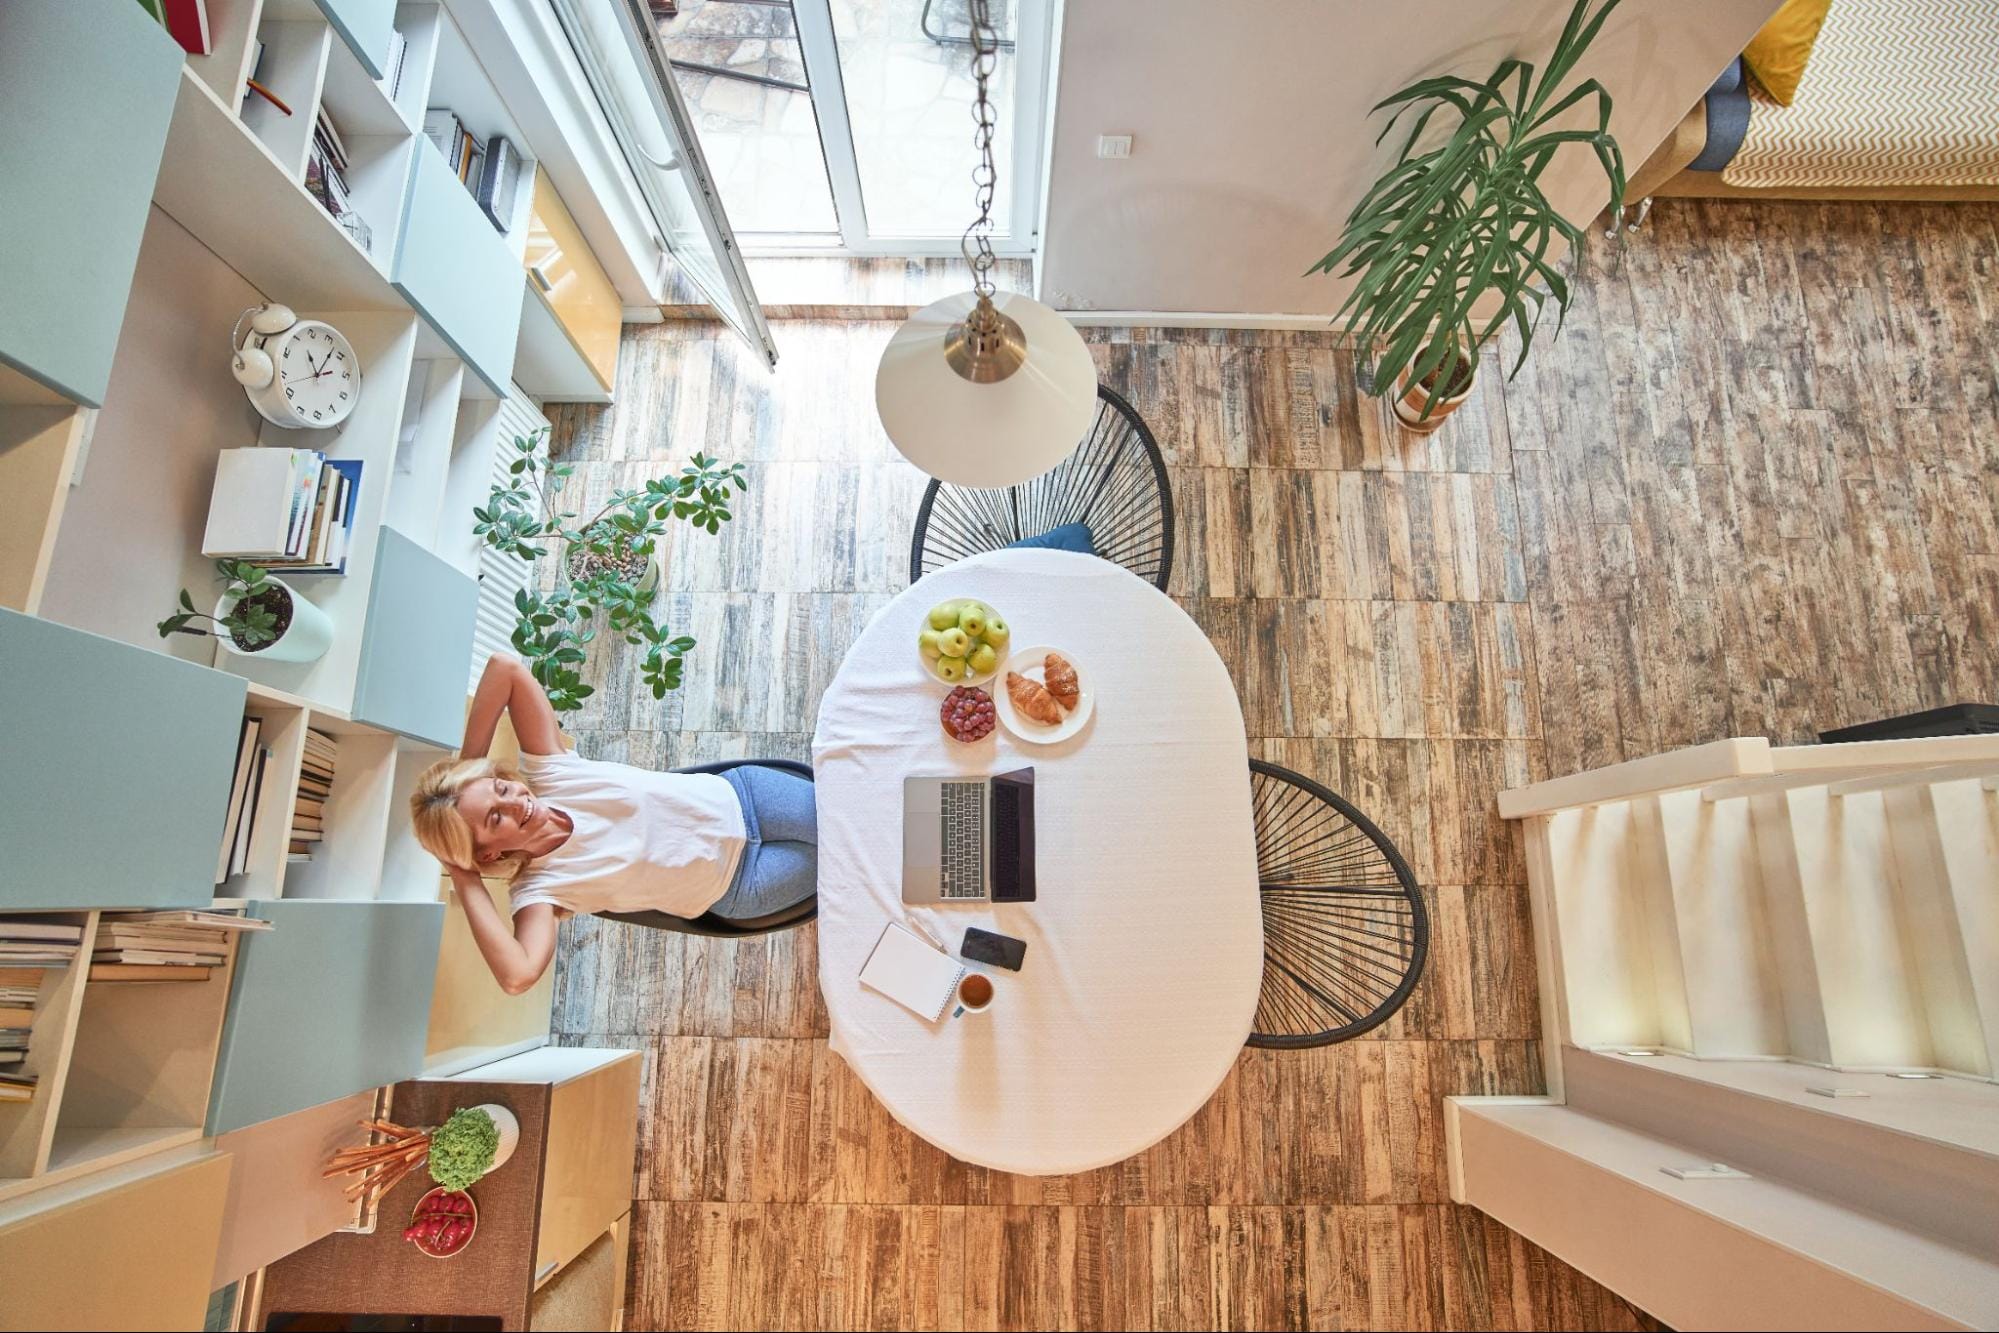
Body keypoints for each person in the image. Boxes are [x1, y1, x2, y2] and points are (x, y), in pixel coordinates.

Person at [409, 655, 817, 993]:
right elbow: (517, 976)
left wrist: (468, 768)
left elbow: (504, 669)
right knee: (856, 864)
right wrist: (465, 876)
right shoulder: (541, 890)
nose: (516, 801)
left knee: (860, 828)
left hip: (746, 799)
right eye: (496, 817)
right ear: (488, 852)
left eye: (501, 787)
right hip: (741, 882)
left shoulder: (553, 775)